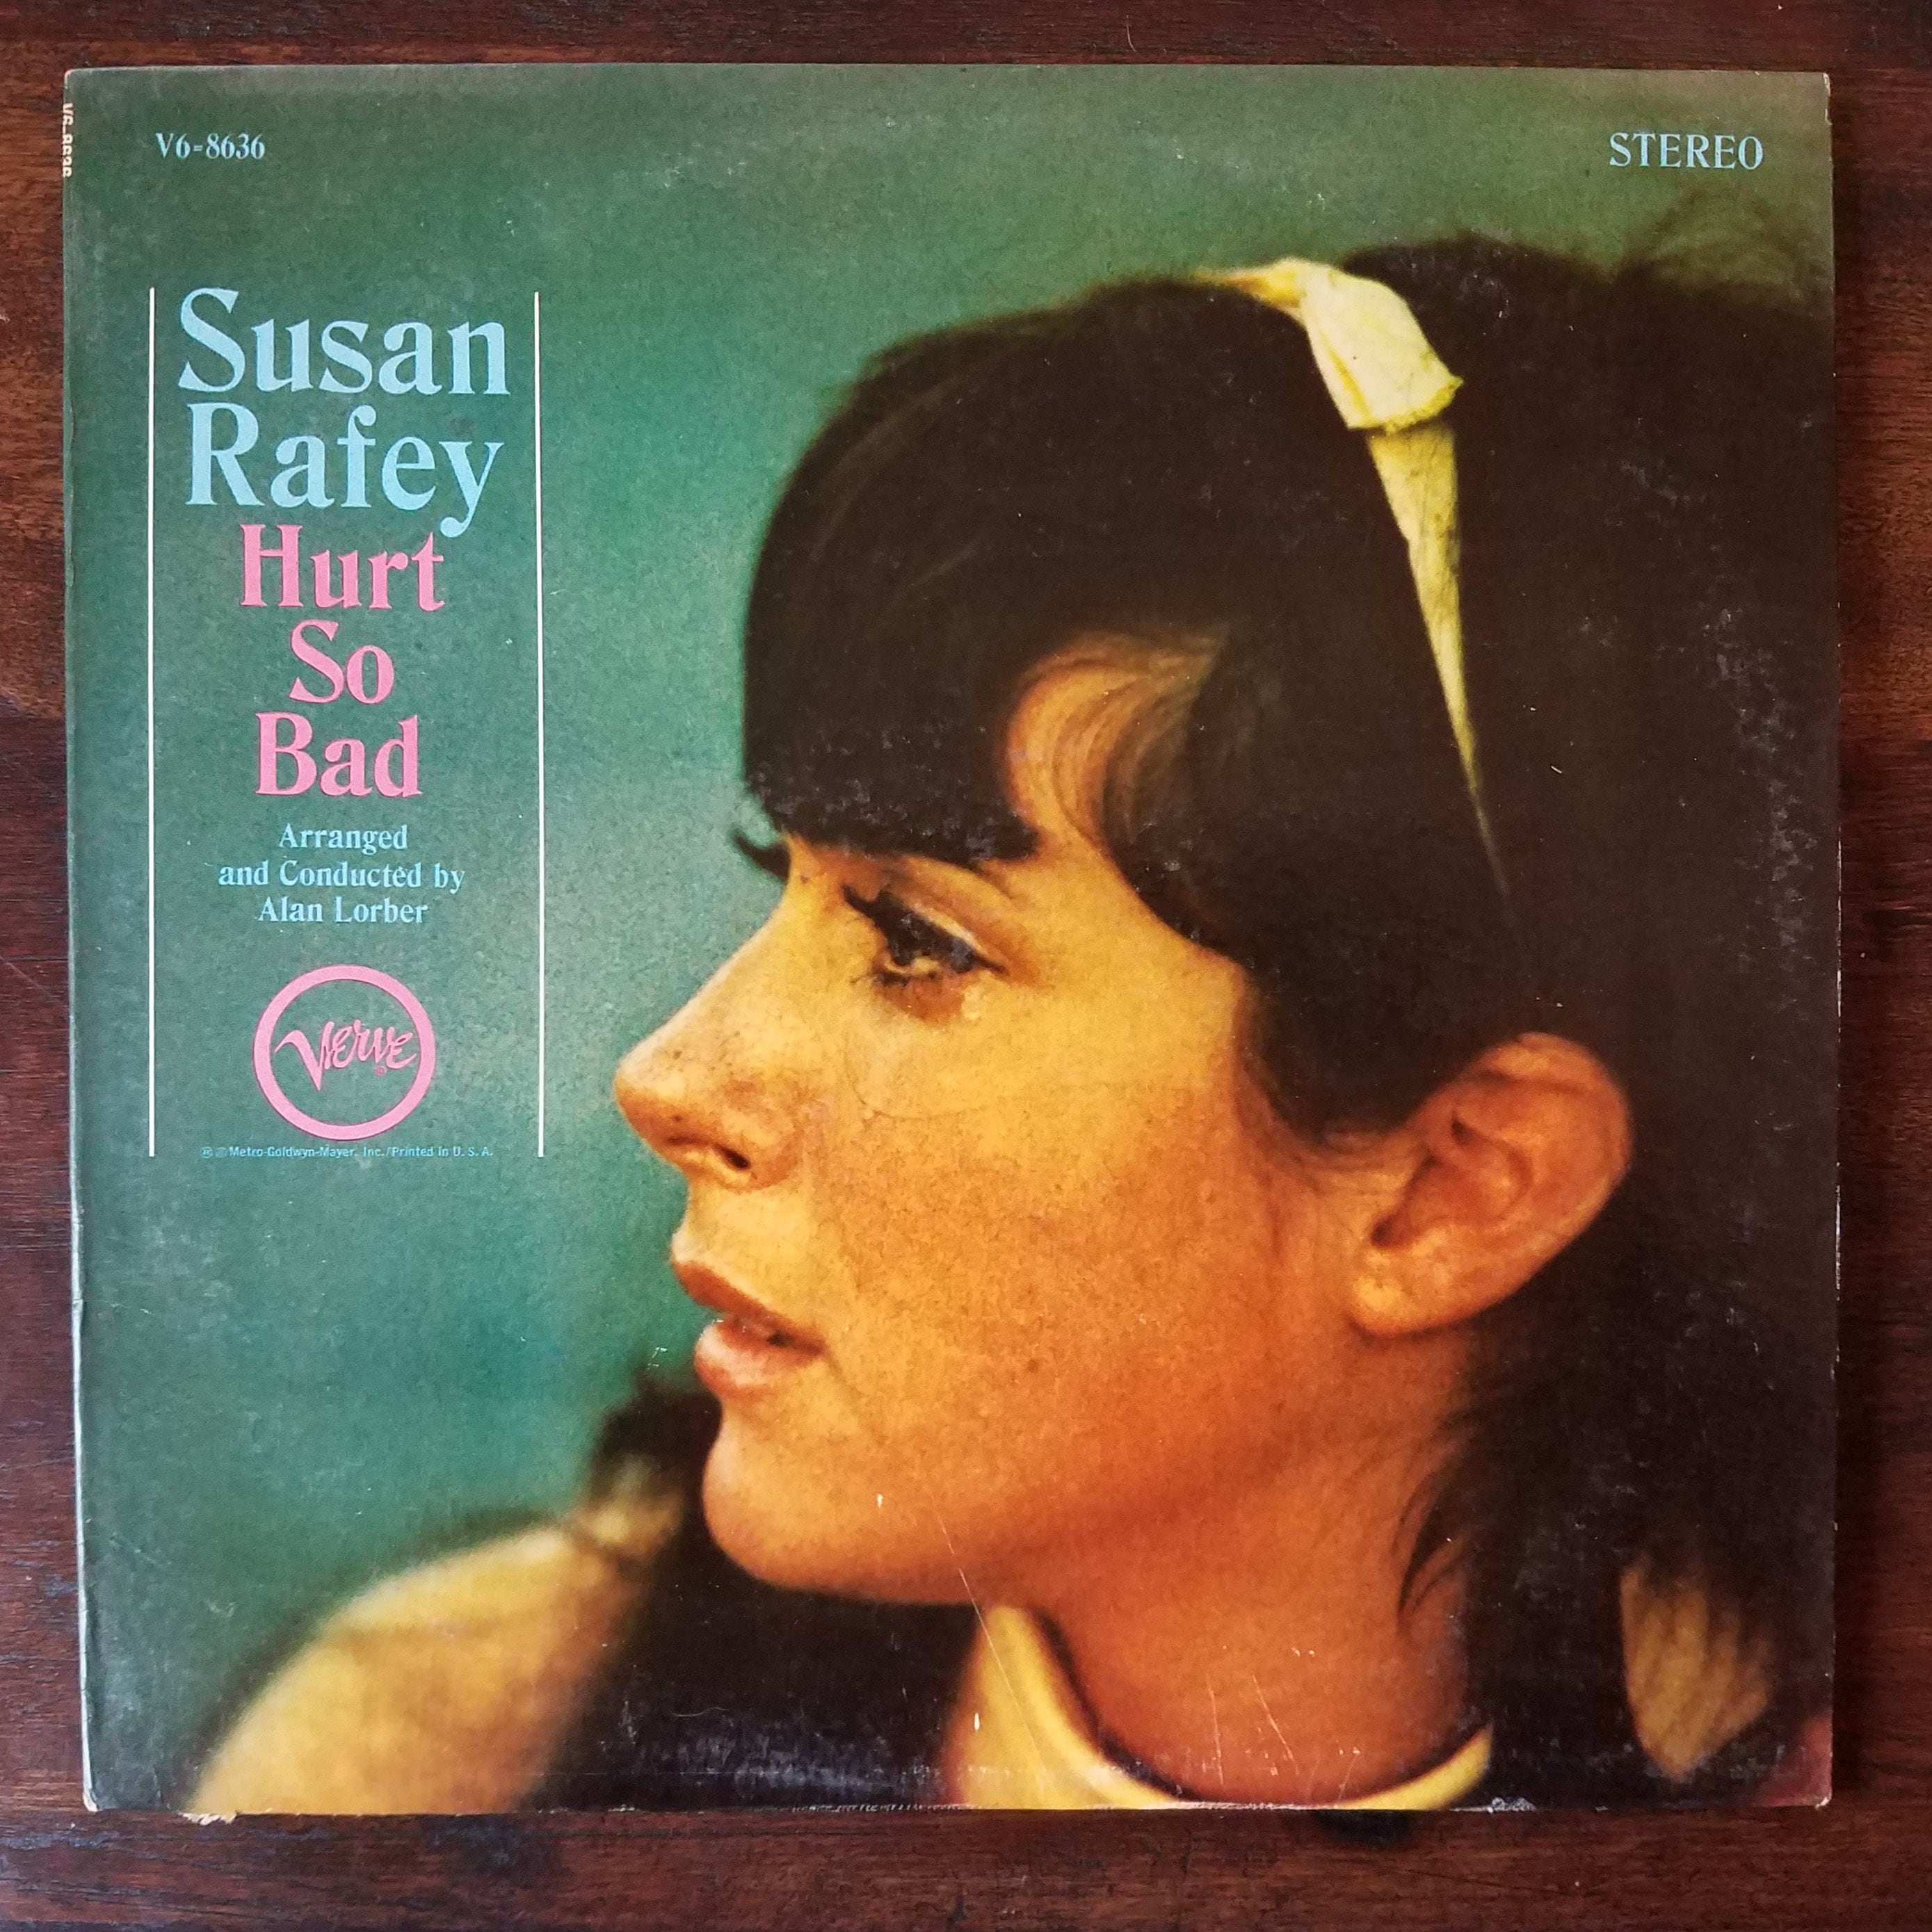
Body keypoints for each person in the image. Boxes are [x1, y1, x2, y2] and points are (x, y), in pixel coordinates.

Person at [191, 234, 1835, 1814]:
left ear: (1450, 1186)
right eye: (790, 881)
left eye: (915, 939)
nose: (669, 1078)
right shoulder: (437, 1747)